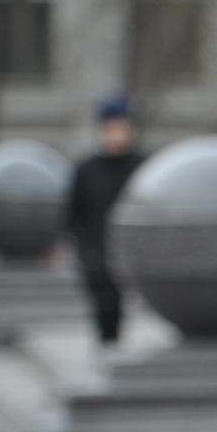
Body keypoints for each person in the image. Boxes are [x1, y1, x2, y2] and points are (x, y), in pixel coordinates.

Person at [63, 95, 146, 347]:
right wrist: (85, 249)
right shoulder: (87, 169)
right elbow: (75, 214)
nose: (115, 135)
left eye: (121, 127)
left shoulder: (141, 166)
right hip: (98, 253)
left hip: (134, 251)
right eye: (110, 128)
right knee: (104, 310)